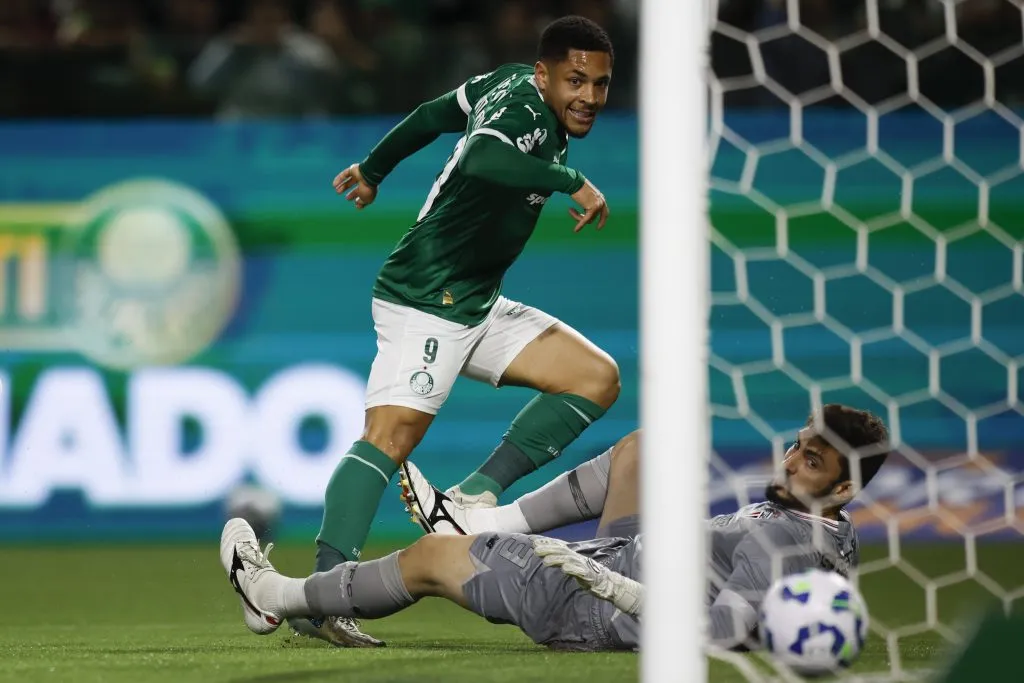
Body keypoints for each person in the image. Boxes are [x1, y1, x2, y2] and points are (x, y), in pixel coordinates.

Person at [290, 15, 622, 646]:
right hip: (425, 299)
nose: (588, 97)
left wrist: (374, 167)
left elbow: (433, 112)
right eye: (576, 80)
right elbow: (482, 155)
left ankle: (472, 497)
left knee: (593, 377)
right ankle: (322, 597)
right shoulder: (524, 113)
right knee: (389, 440)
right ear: (544, 73)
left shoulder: (504, 84)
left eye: (600, 85)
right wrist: (569, 179)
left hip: (476, 302)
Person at [222, 404, 890, 651]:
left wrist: (617, 589)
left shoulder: (785, 543)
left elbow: (723, 630)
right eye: (799, 443)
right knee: (643, 448)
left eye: (812, 459)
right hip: (631, 555)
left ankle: (273, 594)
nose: (792, 458)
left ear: (844, 486)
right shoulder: (828, 533)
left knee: (432, 556)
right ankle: (483, 517)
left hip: (594, 605)